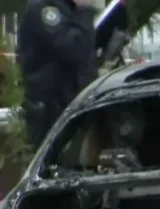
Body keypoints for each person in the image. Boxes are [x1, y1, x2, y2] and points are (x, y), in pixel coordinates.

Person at [16, 0, 98, 150]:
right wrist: (85, 10)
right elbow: (75, 48)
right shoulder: (44, 8)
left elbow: (86, 53)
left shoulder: (69, 8)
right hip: (50, 110)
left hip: (76, 102)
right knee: (51, 166)